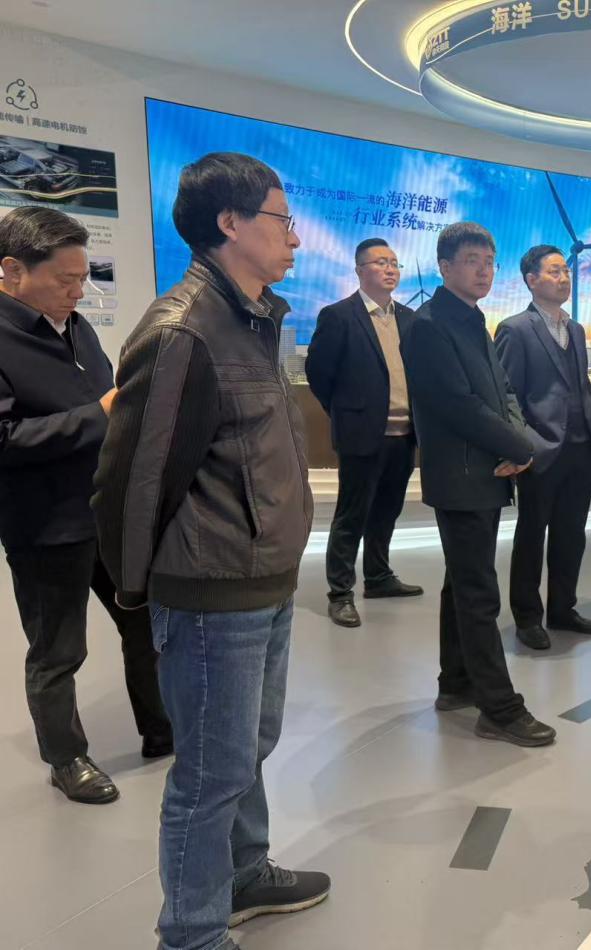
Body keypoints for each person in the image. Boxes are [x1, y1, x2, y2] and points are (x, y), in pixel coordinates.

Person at [93, 153, 329, 950]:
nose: (295, 238)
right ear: (230, 223)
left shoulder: (254, 320)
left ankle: (244, 873)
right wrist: (139, 592)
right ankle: (191, 932)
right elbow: (132, 481)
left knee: (248, 748)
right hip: (209, 590)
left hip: (262, 578)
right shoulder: (183, 331)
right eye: (282, 220)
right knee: (209, 773)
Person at [0, 206, 170, 806]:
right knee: (58, 648)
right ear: (12, 271)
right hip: (45, 524)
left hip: (107, 511)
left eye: (82, 277)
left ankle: (160, 727)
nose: (78, 292)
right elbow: (5, 440)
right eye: (65, 280)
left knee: (144, 623)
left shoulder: (75, 328)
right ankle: (65, 757)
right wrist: (98, 414)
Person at [402, 222, 556, 748]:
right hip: (462, 474)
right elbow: (459, 406)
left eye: (489, 261)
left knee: (462, 583)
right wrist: (521, 448)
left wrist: (517, 440)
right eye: (472, 260)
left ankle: (456, 682)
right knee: (479, 592)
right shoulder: (428, 326)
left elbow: (504, 391)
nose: (484, 270)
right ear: (445, 267)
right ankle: (500, 709)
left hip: (487, 470)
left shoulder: (474, 320)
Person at [494, 245, 591, 650]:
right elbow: (507, 394)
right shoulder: (515, 329)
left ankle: (563, 609)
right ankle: (528, 617)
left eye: (566, 271)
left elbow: (578, 387)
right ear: (531, 280)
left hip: (582, 449)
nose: (564, 278)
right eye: (554, 271)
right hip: (540, 450)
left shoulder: (575, 329)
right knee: (532, 536)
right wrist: (524, 446)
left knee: (571, 535)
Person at [306, 238, 423, 628]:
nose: (390, 269)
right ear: (359, 270)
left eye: (394, 262)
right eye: (380, 262)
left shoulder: (409, 318)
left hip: (404, 434)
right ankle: (340, 593)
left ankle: (378, 577)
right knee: (351, 515)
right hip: (362, 434)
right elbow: (319, 374)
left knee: (387, 510)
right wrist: (347, 412)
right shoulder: (339, 316)